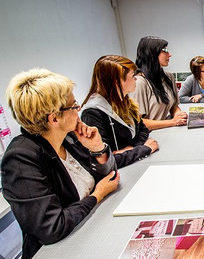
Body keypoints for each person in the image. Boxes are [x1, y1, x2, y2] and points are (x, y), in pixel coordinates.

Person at [1, 68, 119, 258]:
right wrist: (96, 196)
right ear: (54, 118)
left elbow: (110, 178)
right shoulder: (20, 159)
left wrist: (97, 149)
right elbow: (52, 227)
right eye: (74, 106)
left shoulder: (67, 138)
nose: (78, 110)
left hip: (90, 228)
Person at [81, 55, 159, 168]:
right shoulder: (93, 113)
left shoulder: (124, 102)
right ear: (117, 82)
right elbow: (106, 161)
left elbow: (143, 129)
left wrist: (131, 149)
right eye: (132, 76)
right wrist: (143, 149)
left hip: (133, 164)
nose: (136, 79)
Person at [130, 36, 188, 130]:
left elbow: (173, 105)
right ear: (151, 53)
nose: (169, 54)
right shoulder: (139, 82)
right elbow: (137, 123)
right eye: (164, 50)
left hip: (167, 129)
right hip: (149, 136)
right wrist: (172, 122)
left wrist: (178, 114)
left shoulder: (168, 77)